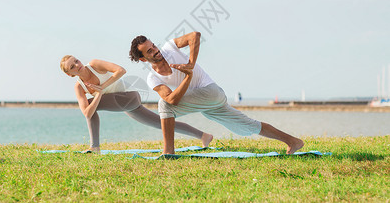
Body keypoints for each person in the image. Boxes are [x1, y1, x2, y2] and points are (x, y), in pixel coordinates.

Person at [129, 32, 304, 154]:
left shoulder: (170, 48)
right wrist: (188, 78)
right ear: (143, 59)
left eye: (153, 46)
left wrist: (190, 64)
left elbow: (194, 36)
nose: (156, 50)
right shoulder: (153, 78)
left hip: (212, 93)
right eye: (150, 51)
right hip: (205, 104)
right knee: (248, 125)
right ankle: (293, 141)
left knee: (163, 105)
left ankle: (168, 152)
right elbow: (171, 99)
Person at [60, 55, 213, 153]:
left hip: (130, 96)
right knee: (161, 124)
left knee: (90, 105)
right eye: (72, 67)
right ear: (69, 74)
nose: (77, 65)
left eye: (76, 61)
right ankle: (204, 136)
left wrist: (103, 87)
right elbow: (86, 113)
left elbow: (121, 70)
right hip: (123, 104)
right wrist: (99, 93)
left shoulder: (94, 64)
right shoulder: (79, 87)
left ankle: (94, 147)